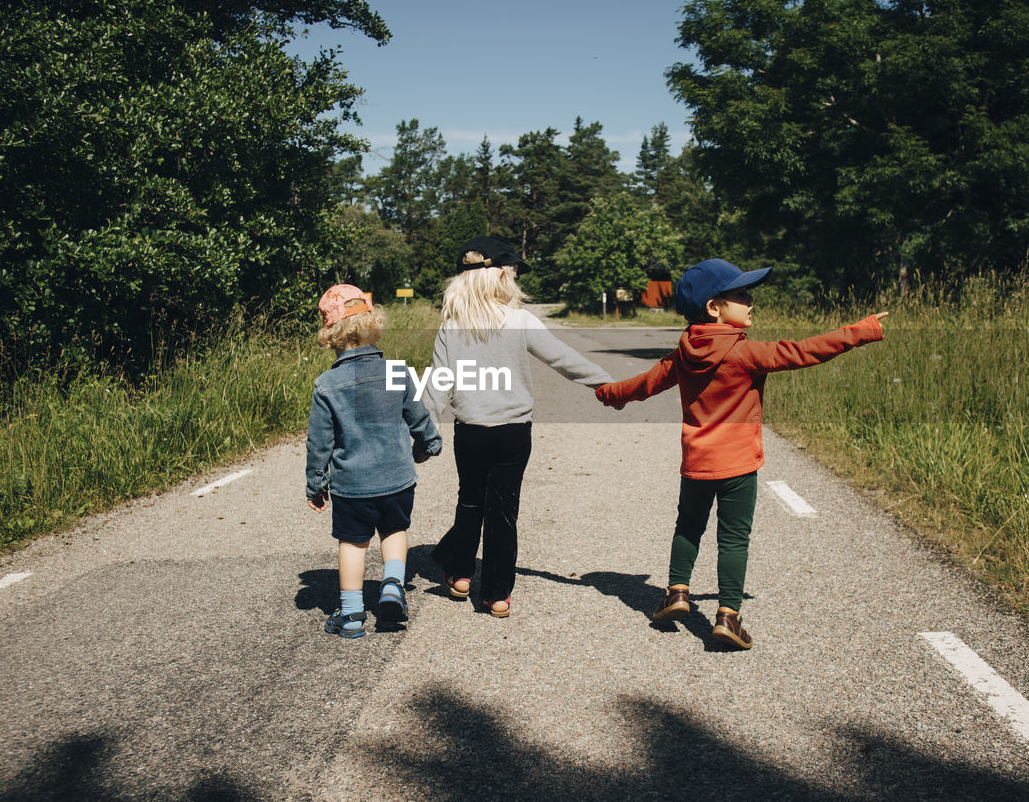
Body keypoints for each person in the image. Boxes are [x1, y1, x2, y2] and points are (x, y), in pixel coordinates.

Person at [595, 259, 887, 649]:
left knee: (688, 527)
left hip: (697, 462)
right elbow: (805, 351)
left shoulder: (683, 352)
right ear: (715, 307)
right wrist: (860, 331)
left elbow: (644, 384)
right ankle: (728, 617)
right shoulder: (745, 353)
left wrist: (610, 394)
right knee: (733, 539)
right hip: (738, 464)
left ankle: (678, 593)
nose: (751, 302)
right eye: (742, 295)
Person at [424, 236, 613, 617]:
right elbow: (564, 359)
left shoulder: (452, 325)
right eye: (511, 272)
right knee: (503, 513)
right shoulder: (520, 320)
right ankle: (495, 594)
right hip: (513, 432)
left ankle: (460, 574)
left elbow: (437, 385)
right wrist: (607, 384)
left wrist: (423, 431)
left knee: (471, 501)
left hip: (471, 431)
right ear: (498, 277)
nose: (514, 279)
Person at [305, 284, 443, 639]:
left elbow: (320, 443)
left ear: (332, 335)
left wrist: (316, 484)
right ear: (373, 324)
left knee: (352, 543)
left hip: (352, 485)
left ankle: (351, 615)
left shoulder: (326, 384)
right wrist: (428, 445)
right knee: (394, 531)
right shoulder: (397, 372)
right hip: (397, 478)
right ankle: (393, 587)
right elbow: (419, 418)